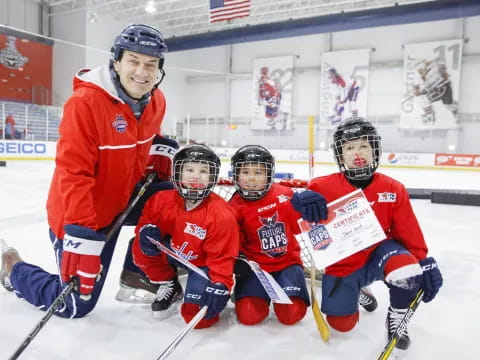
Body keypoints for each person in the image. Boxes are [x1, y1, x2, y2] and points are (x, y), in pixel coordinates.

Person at [0, 24, 169, 319]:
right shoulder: (85, 104)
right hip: (80, 216)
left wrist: (159, 150)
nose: (142, 71)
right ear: (116, 62)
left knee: (178, 200)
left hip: (122, 201)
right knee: (75, 305)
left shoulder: (157, 101)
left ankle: (136, 271)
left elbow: (144, 138)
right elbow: (73, 173)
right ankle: (12, 267)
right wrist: (80, 235)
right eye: (134, 61)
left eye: (150, 64)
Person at [307, 117, 443, 352]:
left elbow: (407, 231)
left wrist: (423, 261)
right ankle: (358, 290)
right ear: (340, 156)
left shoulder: (393, 188)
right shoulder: (320, 187)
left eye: (363, 145)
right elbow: (300, 223)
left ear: (375, 150)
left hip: (380, 253)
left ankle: (397, 315)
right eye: (349, 147)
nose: (357, 152)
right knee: (342, 325)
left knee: (407, 270)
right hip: (344, 264)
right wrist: (299, 202)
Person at [132, 144, 240, 329]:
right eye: (189, 169)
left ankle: (200, 286)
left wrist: (221, 284)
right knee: (141, 247)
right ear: (178, 172)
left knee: (197, 319)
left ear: (213, 176)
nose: (195, 176)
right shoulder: (160, 200)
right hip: (175, 253)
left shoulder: (221, 214)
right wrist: (145, 231)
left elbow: (222, 257)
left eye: (203, 171)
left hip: (203, 265)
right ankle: (170, 284)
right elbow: (145, 224)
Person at [228, 145, 327, 326]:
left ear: (269, 174)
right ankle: (250, 292)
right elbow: (235, 243)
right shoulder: (233, 206)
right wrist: (238, 260)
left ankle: (282, 292)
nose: (251, 178)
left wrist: (305, 210)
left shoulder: (284, 194)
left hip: (287, 265)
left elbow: (298, 229)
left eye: (258, 172)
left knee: (291, 315)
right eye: (245, 172)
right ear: (235, 174)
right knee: (249, 316)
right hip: (255, 269)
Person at [115, 135, 179, 304]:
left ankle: (135, 272)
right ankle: (139, 273)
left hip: (119, 195)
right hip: (113, 199)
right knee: (172, 197)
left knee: (153, 226)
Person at [413, 59, 457, 125]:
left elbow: (441, 67)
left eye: (421, 70)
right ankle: (430, 115)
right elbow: (417, 83)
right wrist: (416, 89)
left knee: (448, 104)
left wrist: (442, 70)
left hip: (444, 88)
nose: (421, 72)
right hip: (437, 90)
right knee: (424, 99)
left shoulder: (433, 69)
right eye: (419, 71)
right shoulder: (421, 74)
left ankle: (455, 112)